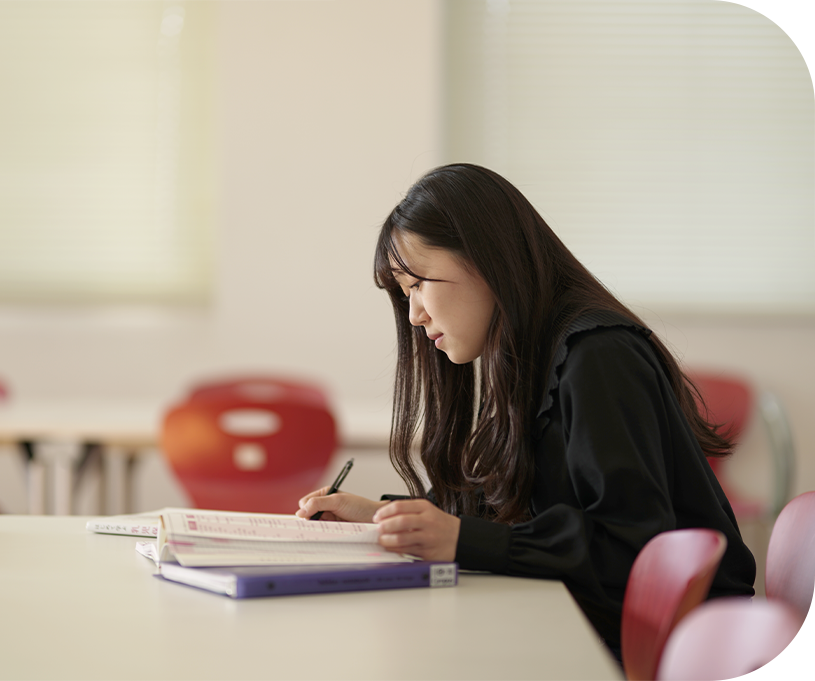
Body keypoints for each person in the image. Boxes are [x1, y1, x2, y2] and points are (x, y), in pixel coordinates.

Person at [296, 163, 756, 661]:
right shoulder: (525, 356)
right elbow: (505, 507)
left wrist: (462, 539)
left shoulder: (597, 357)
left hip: (680, 648)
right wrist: (380, 518)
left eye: (418, 284)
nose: (414, 314)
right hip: (604, 629)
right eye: (404, 294)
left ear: (485, 259)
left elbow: (631, 549)